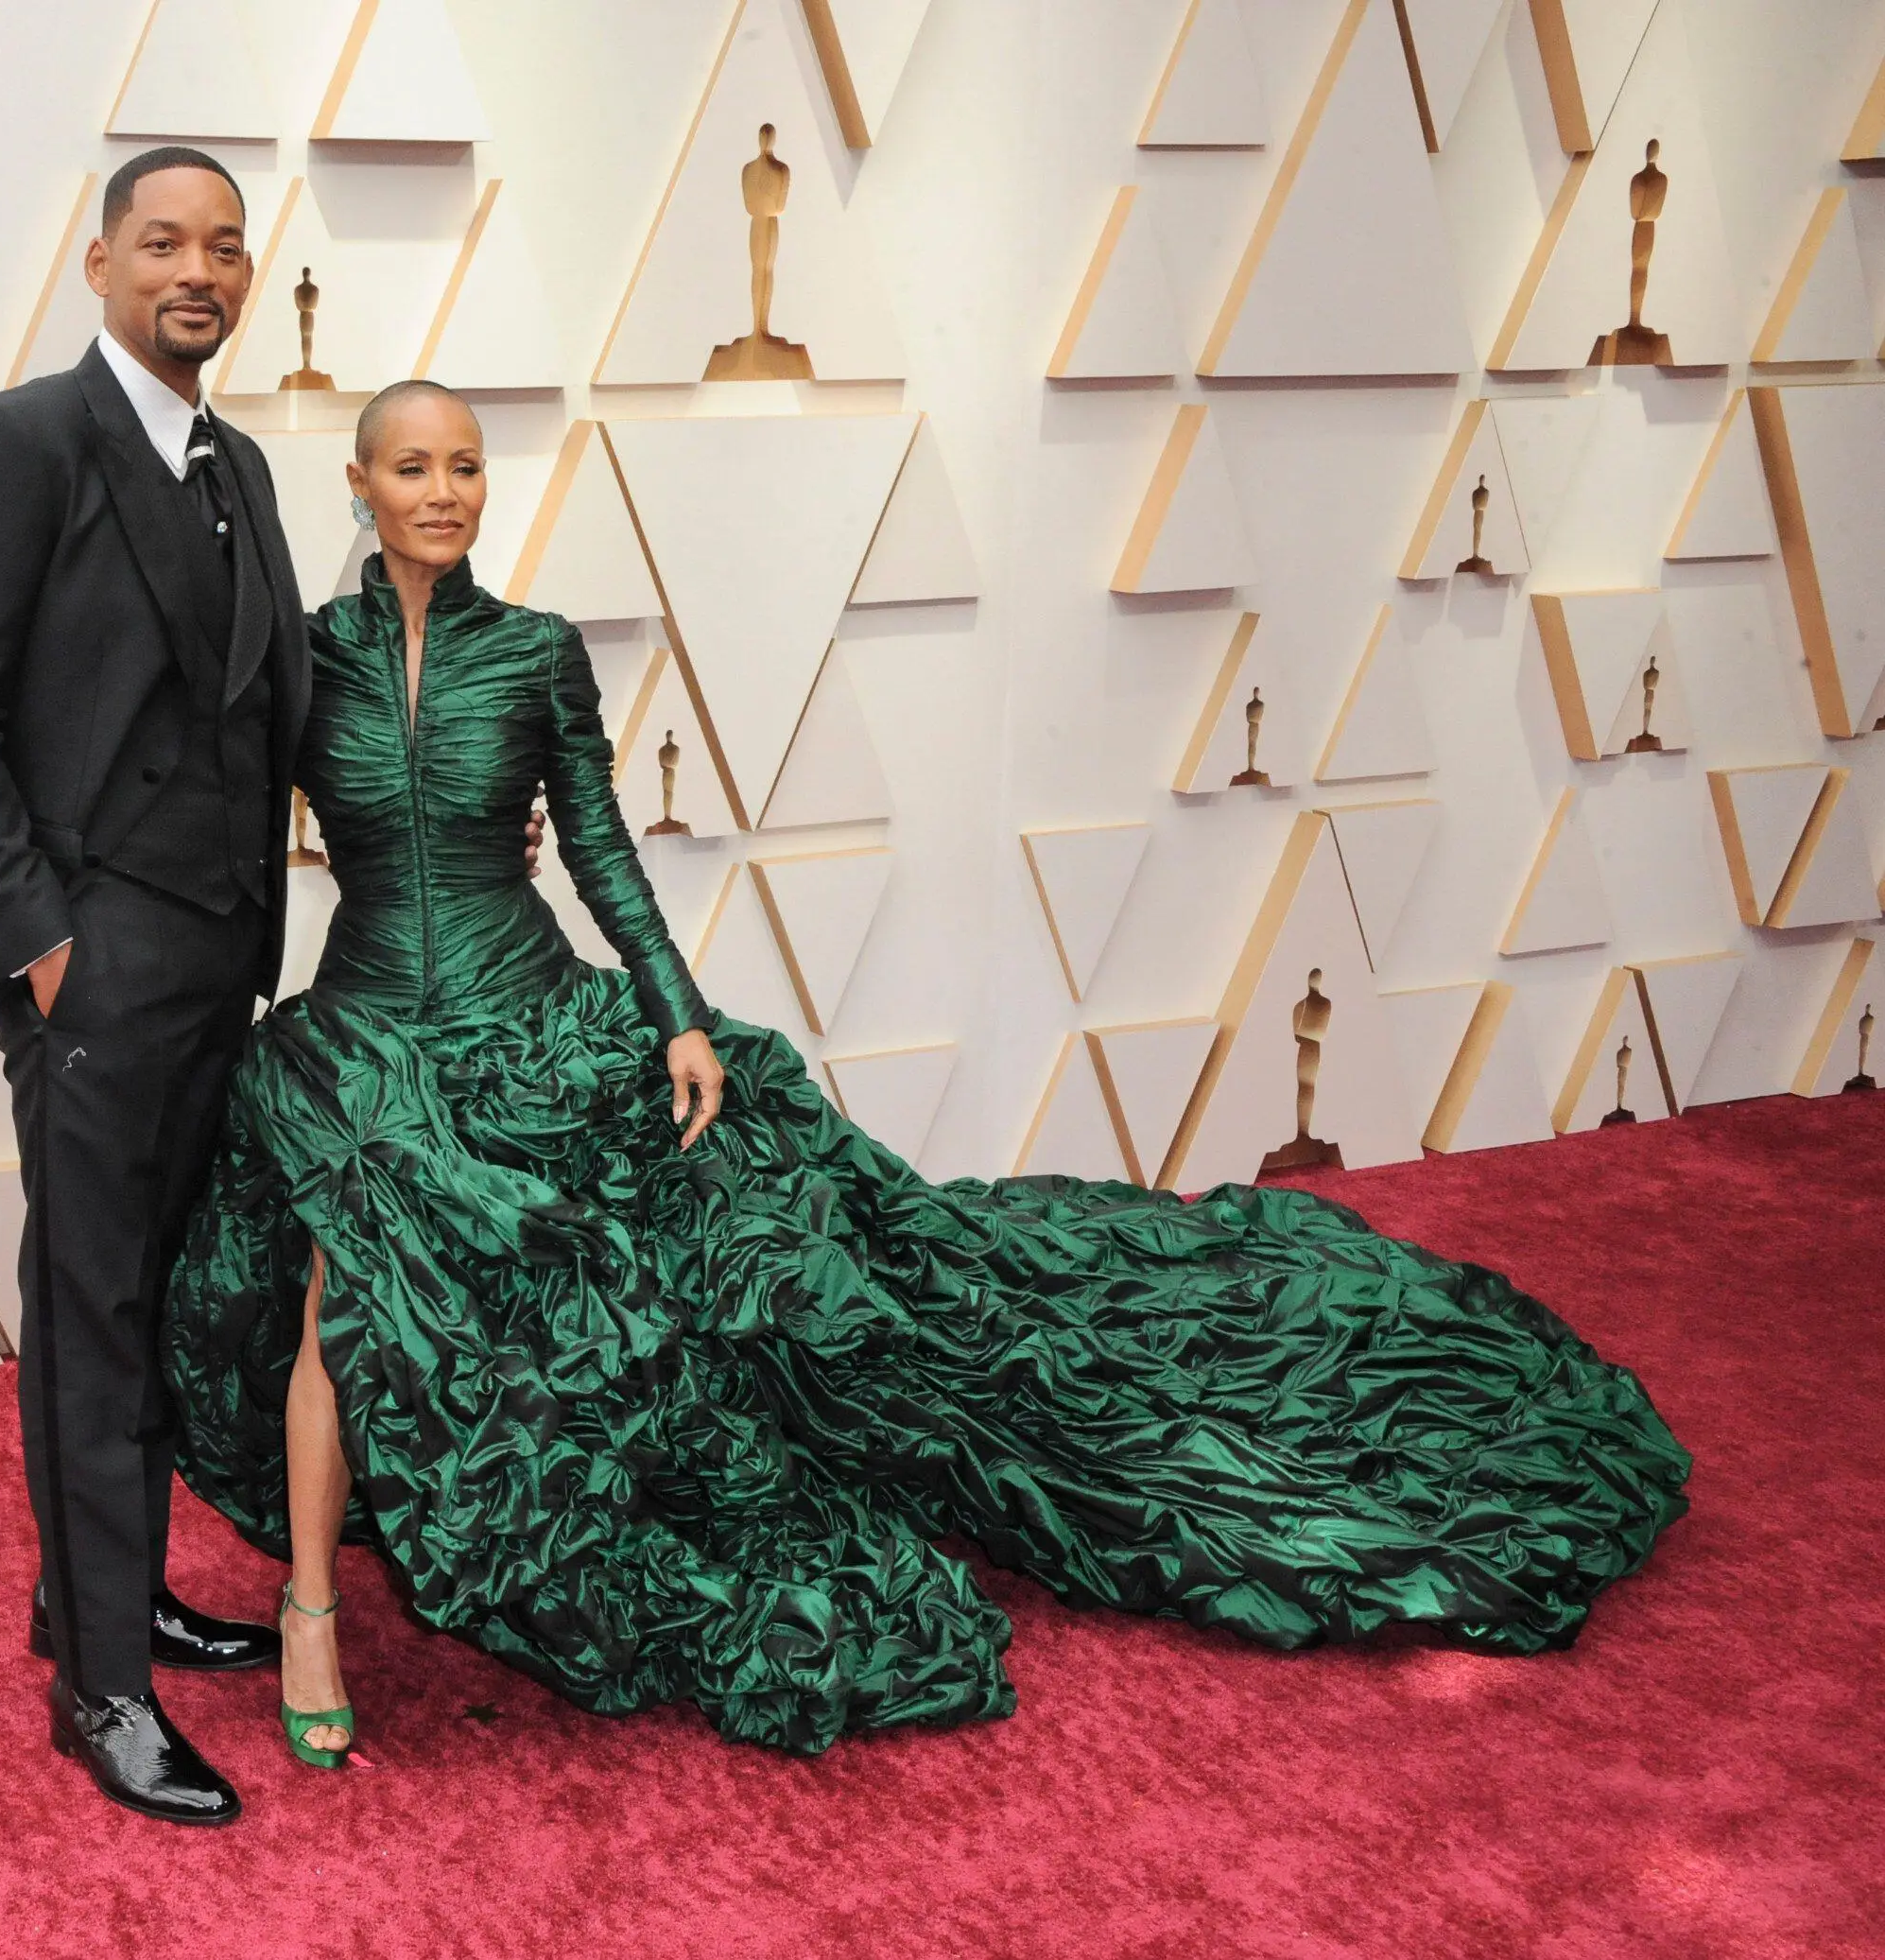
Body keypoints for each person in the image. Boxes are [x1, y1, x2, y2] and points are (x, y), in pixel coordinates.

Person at [164, 381, 1690, 1762]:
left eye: (467, 467)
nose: (443, 491)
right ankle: (310, 1613)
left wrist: (682, 1012)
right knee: (343, 1304)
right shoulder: (301, 664)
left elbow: (605, 849)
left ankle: (578, 1521)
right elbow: (227, 841)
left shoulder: (539, 653)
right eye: (412, 468)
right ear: (358, 486)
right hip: (366, 1034)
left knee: (665, 1307)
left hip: (533, 1014)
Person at [0, 147, 304, 1828]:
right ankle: (104, 1693)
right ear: (101, 263)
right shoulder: (21, 441)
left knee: (152, 1302)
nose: (195, 270)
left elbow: (259, 710)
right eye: (162, 242)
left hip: (219, 963)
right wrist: (47, 947)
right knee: (95, 1310)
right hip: (94, 968)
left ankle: (94, 1602)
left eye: (223, 247)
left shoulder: (243, 465)